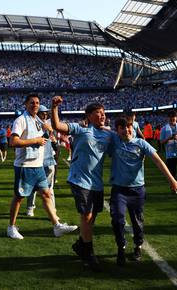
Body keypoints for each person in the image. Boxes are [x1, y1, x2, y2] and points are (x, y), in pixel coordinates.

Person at [51, 95, 112, 272]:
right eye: (98, 113)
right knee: (86, 216)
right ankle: (89, 255)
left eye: (104, 113)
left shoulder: (109, 134)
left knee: (92, 218)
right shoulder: (80, 129)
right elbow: (57, 126)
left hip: (97, 182)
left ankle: (80, 244)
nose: (102, 116)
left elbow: (124, 139)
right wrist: (54, 108)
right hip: (79, 179)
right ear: (89, 116)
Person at [109, 117, 177, 266]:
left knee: (137, 222)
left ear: (133, 128)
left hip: (137, 190)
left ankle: (138, 245)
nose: (126, 130)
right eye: (122, 127)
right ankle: (121, 247)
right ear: (117, 130)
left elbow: (158, 161)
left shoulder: (141, 143)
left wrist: (172, 180)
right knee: (117, 219)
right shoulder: (114, 140)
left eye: (128, 127)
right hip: (119, 190)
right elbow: (102, 130)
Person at [6, 93, 77, 240]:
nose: (35, 105)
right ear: (25, 104)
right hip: (25, 166)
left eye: (37, 102)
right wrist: (36, 140)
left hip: (38, 165)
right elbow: (13, 142)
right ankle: (11, 227)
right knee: (19, 197)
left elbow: (46, 134)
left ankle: (57, 226)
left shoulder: (37, 119)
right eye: (32, 103)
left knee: (46, 194)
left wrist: (47, 132)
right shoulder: (20, 120)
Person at [26, 105, 59, 218]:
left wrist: (54, 142)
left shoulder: (49, 125)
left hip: (49, 160)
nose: (45, 115)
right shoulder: (32, 125)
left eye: (46, 113)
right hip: (35, 161)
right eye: (42, 113)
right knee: (32, 187)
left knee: (49, 188)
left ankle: (53, 210)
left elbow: (54, 145)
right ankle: (30, 207)